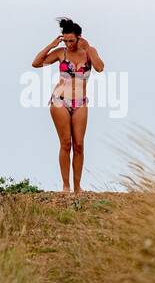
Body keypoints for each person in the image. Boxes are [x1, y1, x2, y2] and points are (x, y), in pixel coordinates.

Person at [31, 17, 105, 193]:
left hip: (80, 102)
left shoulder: (89, 51)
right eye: (65, 40)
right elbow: (36, 63)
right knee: (66, 143)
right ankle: (66, 186)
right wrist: (52, 45)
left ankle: (78, 187)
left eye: (72, 40)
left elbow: (100, 67)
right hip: (60, 100)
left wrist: (88, 48)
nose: (69, 44)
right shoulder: (60, 53)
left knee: (79, 144)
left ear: (79, 38)